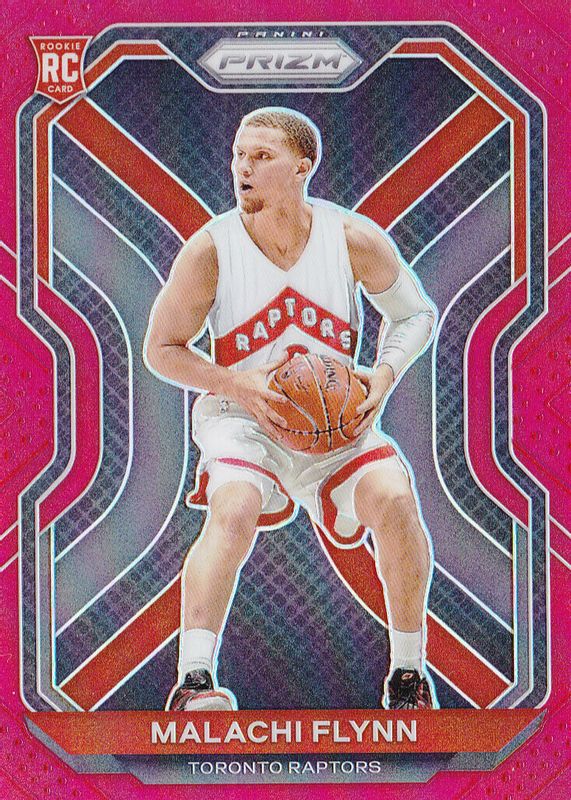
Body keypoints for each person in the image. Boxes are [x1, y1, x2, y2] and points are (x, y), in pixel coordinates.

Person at [144, 107, 438, 711]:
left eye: (261, 157)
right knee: (234, 505)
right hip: (242, 420)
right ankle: (193, 682)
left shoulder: (350, 239)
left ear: (303, 167)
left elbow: (415, 314)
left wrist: (382, 375)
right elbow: (160, 350)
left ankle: (408, 677)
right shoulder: (211, 250)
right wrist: (236, 383)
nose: (242, 169)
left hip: (335, 427)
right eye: (238, 156)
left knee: (395, 498)